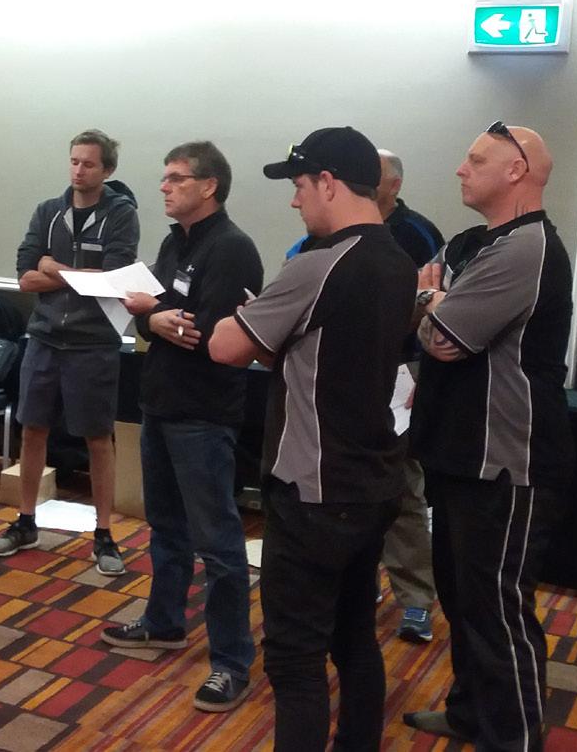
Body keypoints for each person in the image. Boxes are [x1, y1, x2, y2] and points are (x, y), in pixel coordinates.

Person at [208, 126, 414, 751]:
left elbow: (225, 346)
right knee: (353, 639)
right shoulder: (399, 260)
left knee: (294, 660)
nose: (295, 200)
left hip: (314, 490)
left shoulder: (318, 265)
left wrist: (253, 311)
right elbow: (319, 353)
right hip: (372, 480)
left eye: (299, 185)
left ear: (328, 182)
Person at [403, 123, 573, 752]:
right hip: (460, 453)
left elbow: (446, 340)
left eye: (476, 160)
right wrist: (436, 301)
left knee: (499, 611)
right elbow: (435, 321)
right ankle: (471, 714)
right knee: (463, 599)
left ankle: (514, 739)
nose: (460, 169)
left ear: (516, 171)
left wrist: (428, 296)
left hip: (507, 460)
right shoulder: (476, 244)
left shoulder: (526, 247)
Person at [99, 142, 263, 712]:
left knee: (218, 544)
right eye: (164, 177)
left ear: (209, 185)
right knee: (165, 527)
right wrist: (155, 317)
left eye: (176, 178)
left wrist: (155, 315)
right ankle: (164, 621)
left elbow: (206, 332)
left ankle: (231, 661)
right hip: (161, 404)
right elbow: (157, 315)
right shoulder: (175, 243)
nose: (164, 187)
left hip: (204, 414)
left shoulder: (233, 248)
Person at [0, 129, 139, 575]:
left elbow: (111, 279)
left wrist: (53, 267)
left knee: (98, 439)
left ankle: (104, 533)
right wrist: (71, 274)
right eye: (74, 161)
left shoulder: (121, 216)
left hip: (94, 344)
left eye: (88, 164)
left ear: (107, 170)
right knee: (33, 429)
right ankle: (26, 520)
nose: (78, 170)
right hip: (45, 337)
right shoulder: (48, 212)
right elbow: (25, 277)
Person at [372, 148, 446, 644]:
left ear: (394, 184)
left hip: (404, 372)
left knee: (403, 487)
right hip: (348, 373)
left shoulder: (419, 233)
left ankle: (416, 600)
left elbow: (441, 306)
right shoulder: (336, 229)